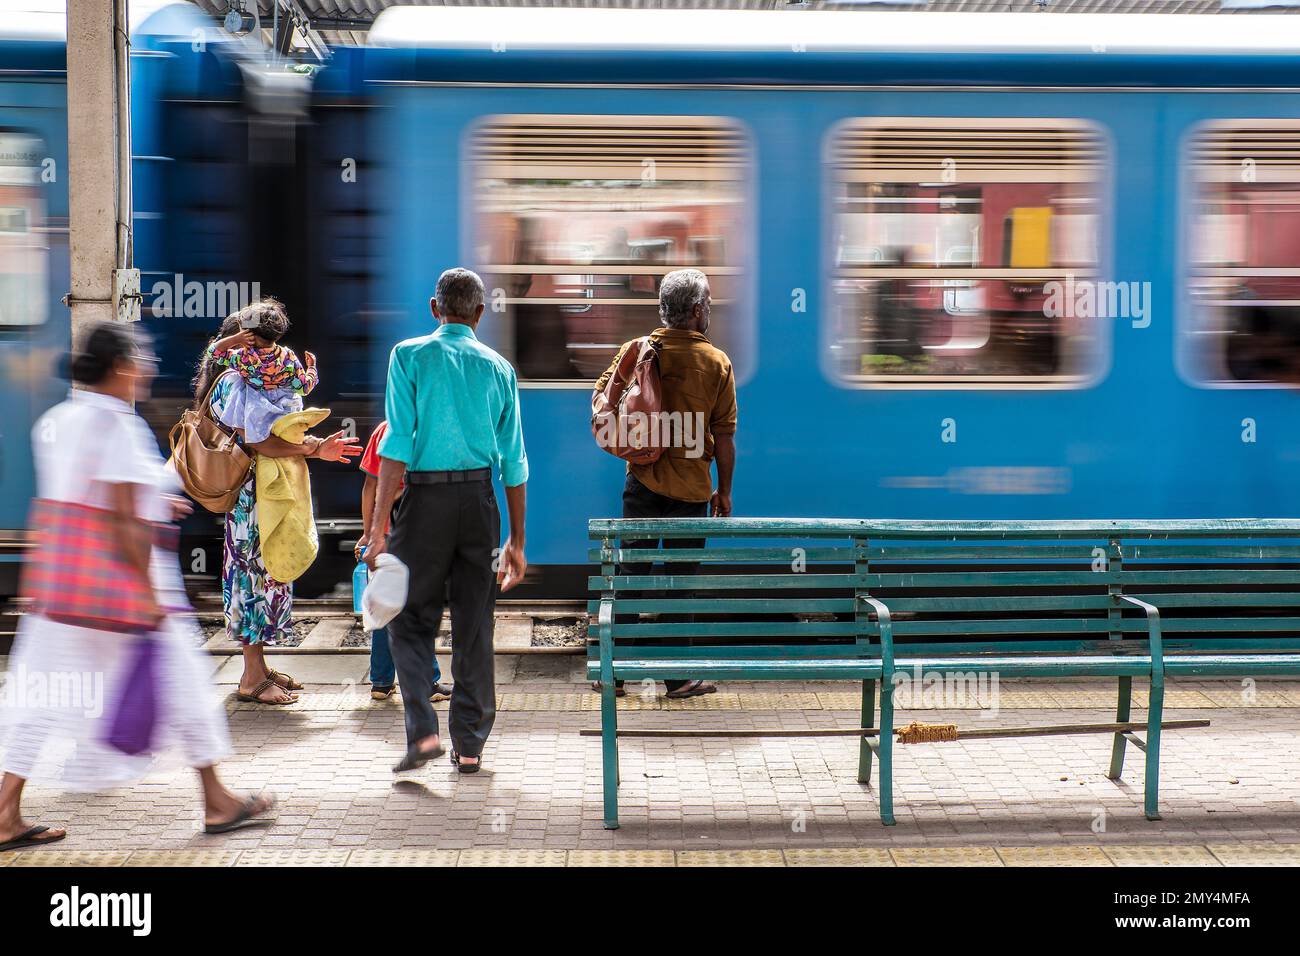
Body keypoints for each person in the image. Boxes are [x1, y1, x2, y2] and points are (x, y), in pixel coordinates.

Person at [0, 323, 275, 852]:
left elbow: (79, 502)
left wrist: (154, 501)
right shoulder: (118, 426)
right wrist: (148, 601)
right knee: (187, 687)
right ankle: (217, 801)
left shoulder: (57, 420)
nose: (148, 367)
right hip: (126, 587)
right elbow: (122, 518)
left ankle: (6, 810)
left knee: (38, 696)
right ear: (121, 367)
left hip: (64, 589)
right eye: (142, 357)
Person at [364, 267, 528, 775]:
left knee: (407, 619)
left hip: (425, 502)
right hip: (479, 503)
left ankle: (424, 733)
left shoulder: (408, 356)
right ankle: (471, 745)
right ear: (480, 314)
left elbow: (396, 445)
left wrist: (377, 529)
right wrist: (517, 540)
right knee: (475, 624)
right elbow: (514, 461)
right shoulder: (499, 367)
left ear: (434, 308)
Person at [193, 300, 360, 704]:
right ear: (242, 346)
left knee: (266, 573)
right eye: (258, 345)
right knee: (252, 576)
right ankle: (251, 677)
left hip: (257, 494)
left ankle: (260, 667)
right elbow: (259, 441)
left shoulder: (244, 378)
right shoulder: (234, 382)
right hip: (250, 498)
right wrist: (316, 449)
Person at [592, 268, 738, 699]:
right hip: (692, 494)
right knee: (680, 582)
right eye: (708, 304)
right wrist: (724, 490)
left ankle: (612, 673)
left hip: (641, 484)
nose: (709, 310)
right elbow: (725, 438)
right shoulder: (716, 363)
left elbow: (602, 401)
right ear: (695, 311)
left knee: (631, 573)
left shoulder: (635, 351)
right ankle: (675, 677)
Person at [355, 420, 452, 702]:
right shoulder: (429, 431)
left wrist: (368, 533)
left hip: (384, 533)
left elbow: (368, 486)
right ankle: (427, 681)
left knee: (385, 604)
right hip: (415, 532)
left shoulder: (383, 430)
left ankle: (381, 682)